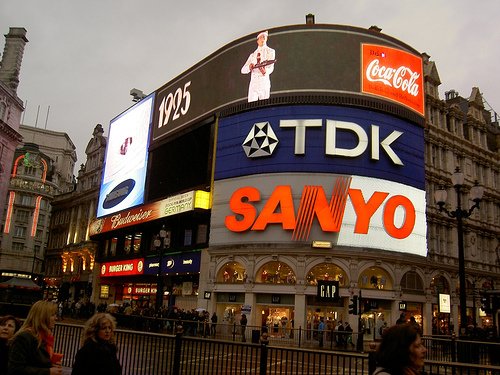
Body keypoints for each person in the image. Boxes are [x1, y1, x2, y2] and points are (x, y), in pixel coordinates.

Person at [8, 300, 62, 375]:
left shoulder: (44, 337)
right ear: (43, 316)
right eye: (52, 315)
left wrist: (51, 365)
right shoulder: (24, 337)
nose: (56, 318)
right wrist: (48, 371)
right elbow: (15, 369)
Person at [241, 30, 276, 102]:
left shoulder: (271, 51)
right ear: (257, 40)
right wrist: (249, 67)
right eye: (261, 37)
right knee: (251, 107)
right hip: (254, 84)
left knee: (264, 106)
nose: (263, 39)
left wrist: (265, 71)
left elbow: (271, 67)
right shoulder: (253, 55)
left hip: (264, 83)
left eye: (264, 37)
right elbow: (243, 70)